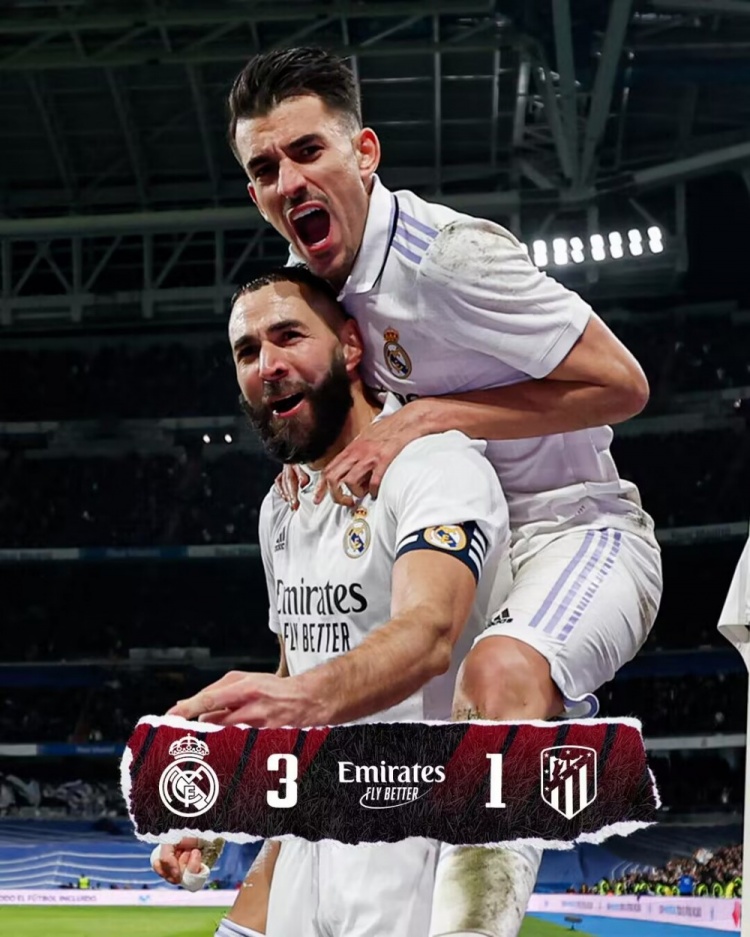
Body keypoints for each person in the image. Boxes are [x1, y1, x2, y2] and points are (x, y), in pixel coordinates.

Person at [221, 46, 664, 937]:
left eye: (308, 150)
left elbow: (623, 385)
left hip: (572, 530)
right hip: (459, 541)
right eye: (264, 168)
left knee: (498, 674)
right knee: (344, 717)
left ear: (365, 153)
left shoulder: (450, 257)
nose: (288, 180)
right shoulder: (324, 284)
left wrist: (427, 417)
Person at [154, 266, 516, 937]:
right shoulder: (280, 507)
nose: (267, 365)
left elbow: (430, 632)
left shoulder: (434, 466)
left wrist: (297, 699)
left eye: (288, 336)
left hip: (412, 838)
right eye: (247, 351)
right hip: (309, 835)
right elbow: (295, 669)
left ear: (351, 345)